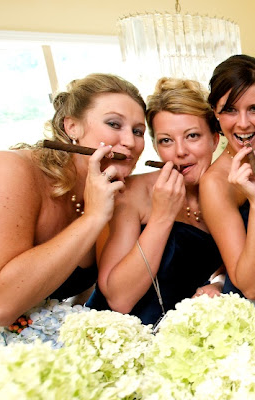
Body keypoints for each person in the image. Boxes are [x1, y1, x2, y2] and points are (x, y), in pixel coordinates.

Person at [0, 73, 146, 355]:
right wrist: (93, 219)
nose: (129, 142)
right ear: (71, 126)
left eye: (138, 131)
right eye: (114, 124)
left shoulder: (104, 192)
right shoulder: (4, 171)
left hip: (28, 355)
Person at [86, 78, 224, 324]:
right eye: (166, 140)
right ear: (155, 147)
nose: (180, 151)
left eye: (192, 136)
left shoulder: (228, 194)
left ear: (214, 139)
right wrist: (162, 216)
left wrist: (219, 283)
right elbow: (119, 299)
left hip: (178, 339)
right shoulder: (129, 193)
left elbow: (232, 261)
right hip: (115, 335)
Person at [202, 55, 255, 311]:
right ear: (215, 114)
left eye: (254, 109)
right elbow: (251, 286)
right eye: (230, 109)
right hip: (253, 311)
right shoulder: (215, 183)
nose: (243, 123)